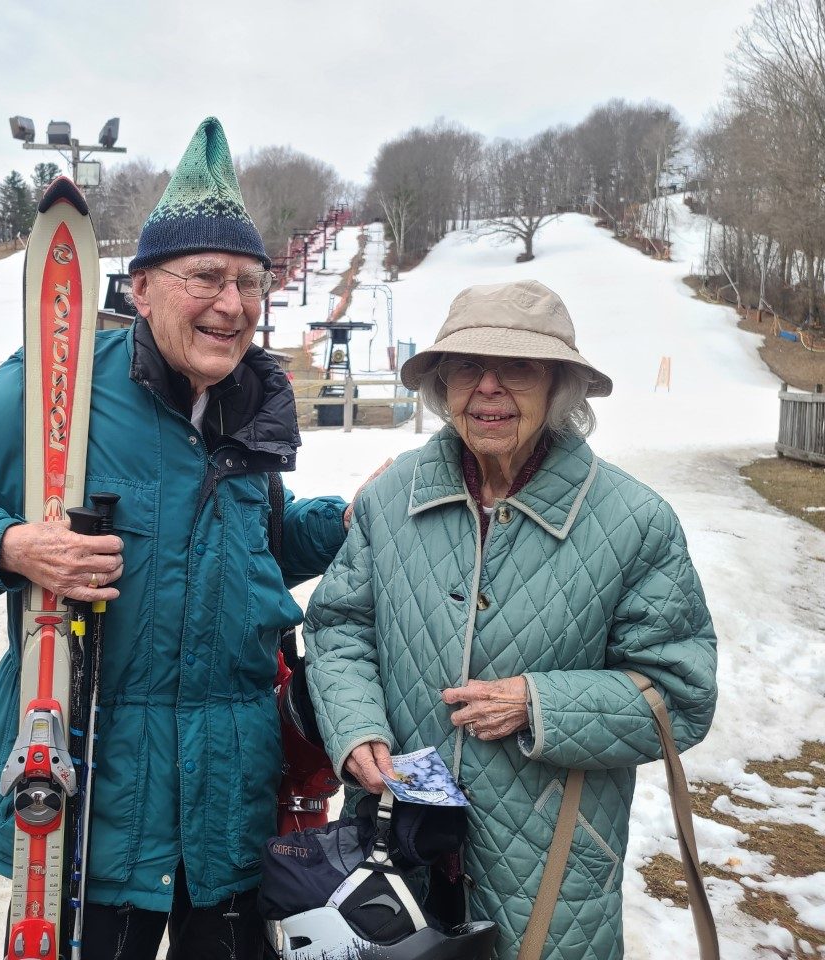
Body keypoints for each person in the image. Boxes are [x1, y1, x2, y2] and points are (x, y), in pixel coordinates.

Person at [0, 117, 353, 958]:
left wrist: (350, 522)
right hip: (93, 819)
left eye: (251, 282)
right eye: (206, 276)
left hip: (229, 810)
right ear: (140, 289)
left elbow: (258, 550)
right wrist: (10, 546)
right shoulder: (53, 390)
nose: (233, 303)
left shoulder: (253, 413)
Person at [302, 280, 718, 960]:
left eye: (516, 368)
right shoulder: (389, 498)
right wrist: (355, 728)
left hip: (548, 862)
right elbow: (338, 627)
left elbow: (680, 693)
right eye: (467, 366)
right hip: (393, 852)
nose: (487, 388)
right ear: (442, 382)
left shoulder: (636, 522)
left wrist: (543, 704)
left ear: (559, 386)